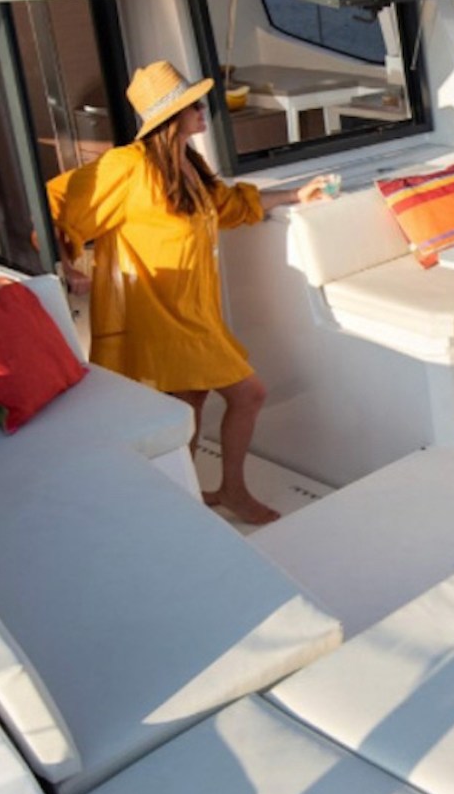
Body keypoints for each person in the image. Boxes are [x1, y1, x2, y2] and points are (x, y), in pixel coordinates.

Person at [48, 61, 333, 525]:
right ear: (170, 115)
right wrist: (70, 266)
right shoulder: (128, 166)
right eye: (193, 104)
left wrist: (297, 195)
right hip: (159, 313)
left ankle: (185, 497)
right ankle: (232, 491)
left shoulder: (188, 162)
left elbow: (226, 206)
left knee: (191, 404)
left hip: (195, 312)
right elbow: (57, 205)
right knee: (250, 394)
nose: (204, 110)